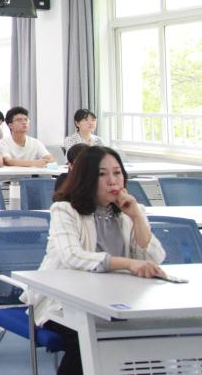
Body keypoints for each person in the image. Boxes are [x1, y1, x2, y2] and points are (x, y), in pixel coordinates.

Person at [27, 146, 166, 374]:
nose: (113, 181)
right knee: (89, 338)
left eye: (117, 173)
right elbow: (73, 256)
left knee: (148, 337)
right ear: (87, 178)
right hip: (65, 301)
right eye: (102, 174)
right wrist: (128, 263)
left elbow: (153, 257)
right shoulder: (65, 210)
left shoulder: (130, 211)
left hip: (119, 298)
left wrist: (137, 217)